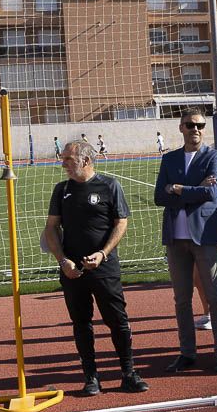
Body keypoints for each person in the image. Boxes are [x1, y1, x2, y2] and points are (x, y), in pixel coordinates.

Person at [43, 140, 148, 396]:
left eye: (69, 158)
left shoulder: (110, 186)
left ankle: (128, 373)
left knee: (117, 321)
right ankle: (91, 377)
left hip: (104, 268)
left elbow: (120, 223)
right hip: (72, 271)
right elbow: (51, 228)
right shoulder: (61, 190)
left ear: (86, 161)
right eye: (64, 158)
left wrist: (103, 254)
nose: (63, 163)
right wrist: (62, 261)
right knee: (81, 324)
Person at [153, 109, 217, 373]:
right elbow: (159, 197)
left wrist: (178, 188)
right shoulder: (170, 159)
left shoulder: (215, 156)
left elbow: (211, 193)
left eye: (199, 125)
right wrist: (193, 189)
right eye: (190, 125)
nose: (195, 129)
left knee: (214, 296)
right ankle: (187, 352)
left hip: (206, 237)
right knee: (181, 299)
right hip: (176, 239)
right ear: (181, 128)